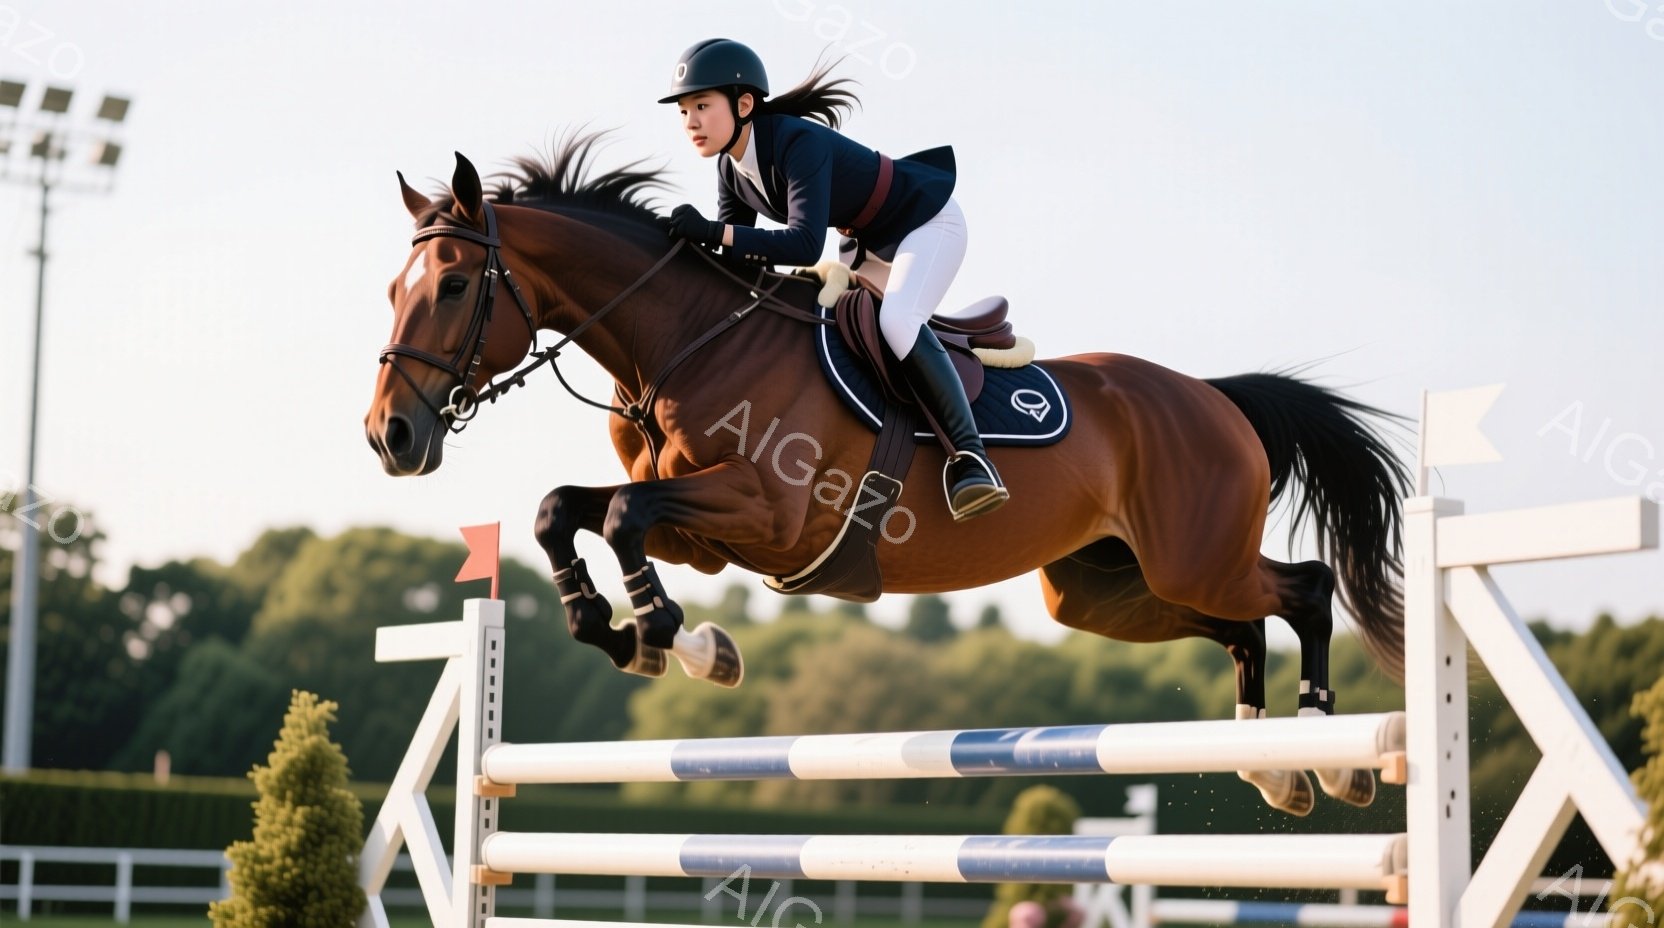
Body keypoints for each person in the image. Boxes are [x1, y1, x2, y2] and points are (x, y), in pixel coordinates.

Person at [658, 38, 1009, 522]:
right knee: (831, 327)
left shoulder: (796, 142)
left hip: (925, 222)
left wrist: (715, 232)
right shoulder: (730, 168)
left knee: (899, 322)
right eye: (682, 111)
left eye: (701, 105)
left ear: (743, 105)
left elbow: (803, 245)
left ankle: (971, 459)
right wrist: (682, 249)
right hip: (865, 239)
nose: (691, 122)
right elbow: (742, 258)